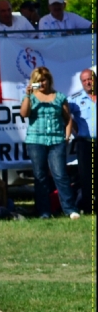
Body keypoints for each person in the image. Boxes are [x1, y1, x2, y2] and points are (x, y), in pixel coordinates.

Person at [21, 66, 79, 219]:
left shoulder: (59, 97)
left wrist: (66, 137)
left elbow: (68, 120)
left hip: (56, 140)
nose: (42, 83)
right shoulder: (31, 97)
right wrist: (27, 96)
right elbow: (24, 114)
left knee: (60, 174)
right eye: (39, 81)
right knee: (40, 176)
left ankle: (70, 209)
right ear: (34, 81)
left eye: (44, 80)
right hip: (35, 141)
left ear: (49, 80)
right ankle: (44, 211)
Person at [69, 68, 95, 213]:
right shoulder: (76, 99)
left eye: (90, 79)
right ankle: (89, 207)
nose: (87, 82)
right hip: (84, 143)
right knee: (86, 177)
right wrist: (73, 128)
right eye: (84, 80)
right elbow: (64, 113)